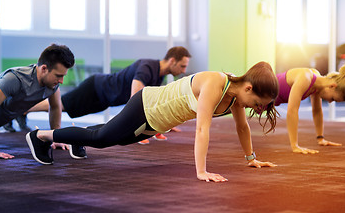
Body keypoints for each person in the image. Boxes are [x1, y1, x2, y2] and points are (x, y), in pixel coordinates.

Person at [26, 61, 279, 182]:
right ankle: (41, 137)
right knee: (102, 139)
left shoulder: (236, 98)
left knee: (111, 136)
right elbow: (202, 129)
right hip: (147, 106)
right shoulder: (217, 83)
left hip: (157, 121)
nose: (256, 109)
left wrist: (251, 158)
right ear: (248, 87)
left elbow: (242, 126)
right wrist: (201, 172)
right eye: (258, 102)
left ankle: (74, 141)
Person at [26, 46, 191, 149]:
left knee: (67, 107)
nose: (183, 70)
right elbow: (137, 97)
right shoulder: (148, 67)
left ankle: (23, 111)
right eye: (182, 65)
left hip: (105, 98)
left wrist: (165, 121)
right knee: (62, 105)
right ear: (172, 61)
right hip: (96, 88)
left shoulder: (158, 74)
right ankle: (22, 109)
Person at [0, 44, 75, 160]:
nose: (61, 81)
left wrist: (56, 138)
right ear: (44, 68)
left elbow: (55, 107)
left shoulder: (52, 85)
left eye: (63, 76)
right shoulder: (14, 79)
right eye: (58, 76)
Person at [275, 63, 345, 154]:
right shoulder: (305, 78)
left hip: (268, 101)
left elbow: (317, 111)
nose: (329, 102)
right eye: (332, 98)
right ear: (332, 86)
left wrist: (320, 138)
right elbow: (292, 111)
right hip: (261, 92)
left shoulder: (317, 84)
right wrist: (294, 146)